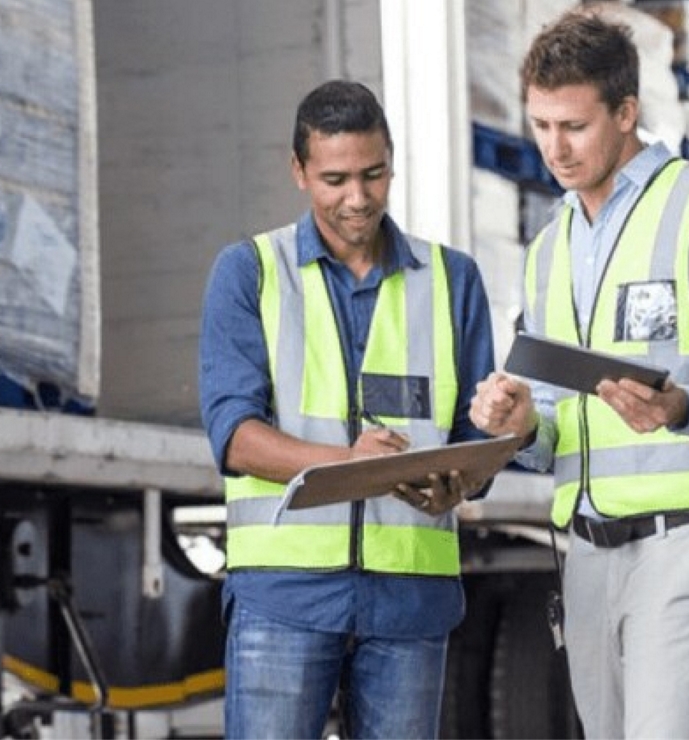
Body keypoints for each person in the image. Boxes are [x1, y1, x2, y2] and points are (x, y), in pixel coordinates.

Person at [469, 9, 689, 739]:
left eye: (575, 126)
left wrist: (685, 405)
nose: (555, 148)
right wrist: (520, 423)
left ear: (626, 112)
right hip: (588, 554)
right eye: (541, 125)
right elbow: (555, 419)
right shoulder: (549, 245)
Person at [198, 79, 496, 739]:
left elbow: (473, 435)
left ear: (392, 162)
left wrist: (464, 476)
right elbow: (235, 437)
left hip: (410, 604)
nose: (357, 198)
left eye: (373, 174)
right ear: (298, 171)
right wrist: (352, 465)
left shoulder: (454, 280)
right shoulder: (249, 272)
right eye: (334, 179)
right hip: (285, 598)